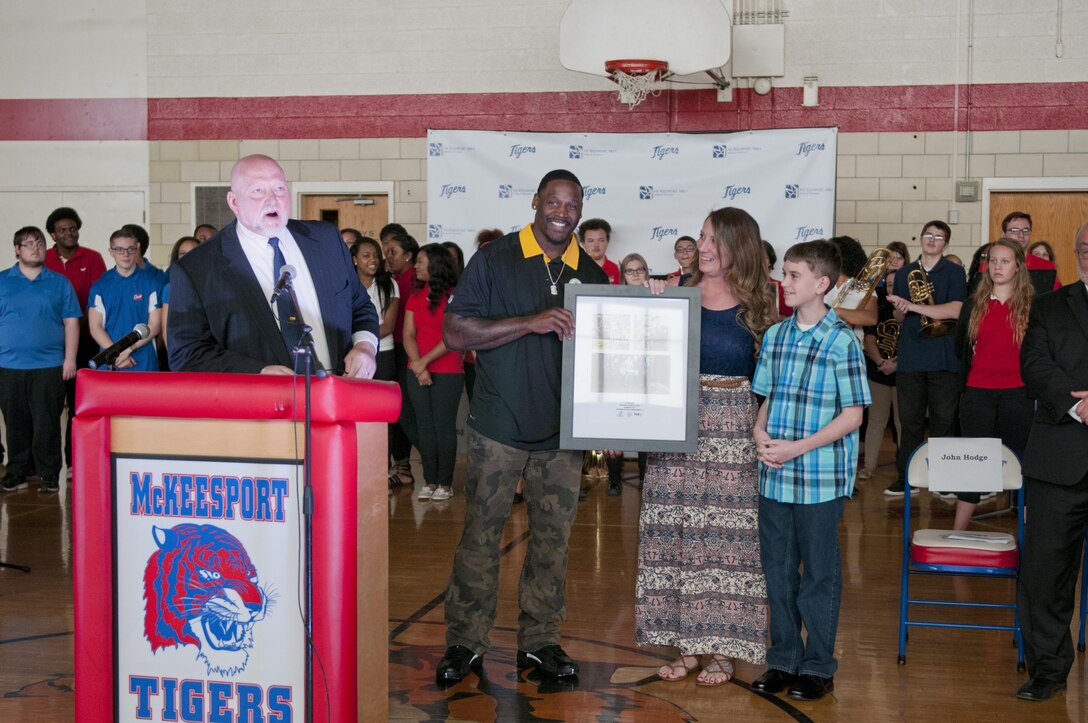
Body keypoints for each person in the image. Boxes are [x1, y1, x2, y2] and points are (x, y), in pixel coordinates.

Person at [435, 169, 608, 684]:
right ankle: (465, 642)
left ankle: (541, 642)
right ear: (535, 202)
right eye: (553, 202)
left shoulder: (594, 277)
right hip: (497, 428)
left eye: (571, 205)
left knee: (553, 544)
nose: (562, 213)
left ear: (580, 210)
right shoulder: (495, 258)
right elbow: (454, 330)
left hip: (563, 436)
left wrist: (612, 420)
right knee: (480, 538)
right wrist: (530, 321)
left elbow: (607, 361)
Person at [635, 208, 775, 686]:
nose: (705, 246)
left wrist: (763, 431)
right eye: (701, 236)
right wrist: (652, 301)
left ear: (740, 244)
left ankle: (722, 647)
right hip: (676, 425)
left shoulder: (762, 302)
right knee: (673, 534)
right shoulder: (676, 294)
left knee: (726, 541)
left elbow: (773, 382)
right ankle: (687, 646)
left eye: (714, 238)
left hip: (735, 429)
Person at [751, 239, 871, 701]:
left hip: (818, 477)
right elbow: (765, 398)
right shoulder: (777, 335)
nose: (784, 281)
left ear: (822, 284)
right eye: (784, 272)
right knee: (778, 571)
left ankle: (818, 665)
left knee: (819, 573)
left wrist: (796, 448)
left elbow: (853, 415)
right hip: (775, 475)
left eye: (794, 274)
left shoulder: (841, 340)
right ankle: (783, 658)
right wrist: (761, 434)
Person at [167, 154, 379, 376]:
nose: (272, 199)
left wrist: (365, 345)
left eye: (279, 188)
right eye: (258, 191)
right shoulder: (197, 267)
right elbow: (187, 353)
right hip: (259, 405)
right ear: (234, 202)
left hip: (335, 397)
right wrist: (257, 373)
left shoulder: (326, 240)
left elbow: (360, 306)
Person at [1014, 220, 1088, 702]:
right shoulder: (1047, 306)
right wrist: (1080, 404)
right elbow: (1035, 364)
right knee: (1045, 573)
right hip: (1061, 458)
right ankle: (1048, 669)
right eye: (1085, 247)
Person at [947, 238, 1034, 528]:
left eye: (1005, 261)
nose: (997, 267)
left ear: (1018, 266)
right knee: (974, 463)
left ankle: (1029, 536)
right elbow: (962, 348)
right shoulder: (974, 304)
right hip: (977, 395)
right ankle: (958, 532)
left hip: (1017, 395)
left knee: (1021, 462)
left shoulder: (1032, 307)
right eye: (993, 260)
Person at [883, 221, 967, 497]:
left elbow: (956, 310)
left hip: (944, 358)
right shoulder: (905, 272)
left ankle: (945, 481)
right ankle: (906, 477)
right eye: (928, 235)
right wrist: (899, 309)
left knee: (943, 422)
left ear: (946, 243)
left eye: (939, 237)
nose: (932, 240)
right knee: (910, 423)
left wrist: (913, 306)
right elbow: (900, 317)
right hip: (912, 358)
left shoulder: (954, 272)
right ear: (920, 239)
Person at [0, 227, 81, 494]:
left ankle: (48, 475)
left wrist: (69, 359)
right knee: (15, 423)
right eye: (28, 244)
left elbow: (71, 323)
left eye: (39, 243)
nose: (35, 248)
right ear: (17, 249)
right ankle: (17, 473)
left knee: (47, 422)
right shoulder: (3, 281)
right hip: (9, 366)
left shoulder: (59, 283)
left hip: (49, 365)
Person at [43, 206, 106, 477]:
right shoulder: (43, 259)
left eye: (73, 228)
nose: (69, 233)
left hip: (85, 342)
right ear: (53, 235)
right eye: (62, 230)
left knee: (77, 405)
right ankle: (43, 465)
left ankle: (74, 463)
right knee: (48, 406)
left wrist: (73, 325)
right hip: (50, 344)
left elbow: (97, 300)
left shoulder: (92, 258)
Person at [405, 243, 463, 502]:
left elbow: (452, 336)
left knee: (443, 428)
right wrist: (418, 365)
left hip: (448, 370)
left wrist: (423, 362)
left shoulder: (455, 295)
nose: (415, 265)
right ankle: (429, 480)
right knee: (425, 427)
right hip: (417, 370)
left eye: (420, 260)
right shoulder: (415, 295)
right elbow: (408, 334)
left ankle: (445, 483)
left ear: (436, 265)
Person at [858, 242, 909, 480]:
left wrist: (896, 363)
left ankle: (904, 471)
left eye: (895, 284)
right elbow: (869, 338)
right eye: (888, 284)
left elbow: (915, 341)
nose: (891, 287)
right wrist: (881, 363)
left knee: (902, 425)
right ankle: (868, 467)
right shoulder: (876, 304)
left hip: (903, 372)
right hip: (878, 371)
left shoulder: (911, 309)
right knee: (876, 422)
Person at [604, 253, 651, 496]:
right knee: (616, 426)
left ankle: (645, 478)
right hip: (619, 370)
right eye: (630, 270)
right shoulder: (613, 301)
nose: (635, 274)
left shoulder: (659, 297)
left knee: (644, 427)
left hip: (646, 370)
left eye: (639, 269)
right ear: (622, 275)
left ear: (646, 272)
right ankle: (613, 479)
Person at [87, 228, 162, 372]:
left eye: (130, 249)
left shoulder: (152, 283)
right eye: (119, 249)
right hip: (110, 361)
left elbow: (155, 325)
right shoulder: (100, 286)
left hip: (144, 361)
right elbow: (95, 327)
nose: (125, 254)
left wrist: (128, 349)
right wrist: (115, 353)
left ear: (137, 249)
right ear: (111, 252)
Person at [384, 229, 420, 487]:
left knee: (405, 412)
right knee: (393, 413)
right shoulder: (390, 280)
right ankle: (401, 466)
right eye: (385, 252)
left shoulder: (414, 282)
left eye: (393, 252)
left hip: (407, 351)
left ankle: (421, 466)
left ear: (408, 256)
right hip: (388, 351)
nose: (387, 257)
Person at [351, 236, 399, 384]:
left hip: (383, 352)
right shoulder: (347, 285)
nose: (373, 260)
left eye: (376, 256)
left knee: (381, 402)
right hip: (353, 353)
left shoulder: (389, 284)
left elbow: (389, 326)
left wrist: (362, 341)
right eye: (366, 256)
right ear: (354, 259)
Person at [160, 236, 200, 359]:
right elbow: (167, 330)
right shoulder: (170, 288)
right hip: (184, 354)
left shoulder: (213, 285)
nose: (188, 257)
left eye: (194, 252)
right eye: (183, 254)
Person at [998, 211, 1059, 293]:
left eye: (1025, 230)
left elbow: (1054, 299)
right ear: (1003, 235)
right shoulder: (991, 265)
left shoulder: (1046, 266)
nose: (1021, 235)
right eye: (1015, 230)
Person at [578, 218, 620, 284]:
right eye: (590, 241)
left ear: (607, 241)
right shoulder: (575, 269)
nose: (596, 245)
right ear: (583, 243)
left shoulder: (617, 271)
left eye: (601, 240)